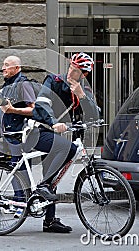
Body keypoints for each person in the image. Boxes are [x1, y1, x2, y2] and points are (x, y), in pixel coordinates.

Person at [32, 52, 100, 233]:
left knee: (53, 176)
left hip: (59, 137)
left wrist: (82, 96)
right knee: (67, 150)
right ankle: (42, 186)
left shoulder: (84, 89)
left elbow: (95, 113)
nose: (71, 72)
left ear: (84, 74)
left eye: (76, 70)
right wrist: (53, 122)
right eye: (71, 67)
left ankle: (49, 221)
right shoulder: (53, 81)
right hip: (39, 131)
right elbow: (42, 104)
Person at [0, 55, 36, 218]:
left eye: (7, 65)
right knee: (13, 168)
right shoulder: (7, 84)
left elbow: (33, 109)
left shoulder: (23, 84)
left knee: (19, 169)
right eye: (3, 64)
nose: (3, 68)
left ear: (17, 68)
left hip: (20, 134)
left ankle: (22, 203)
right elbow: (4, 106)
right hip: (9, 133)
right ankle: (19, 201)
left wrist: (14, 111)